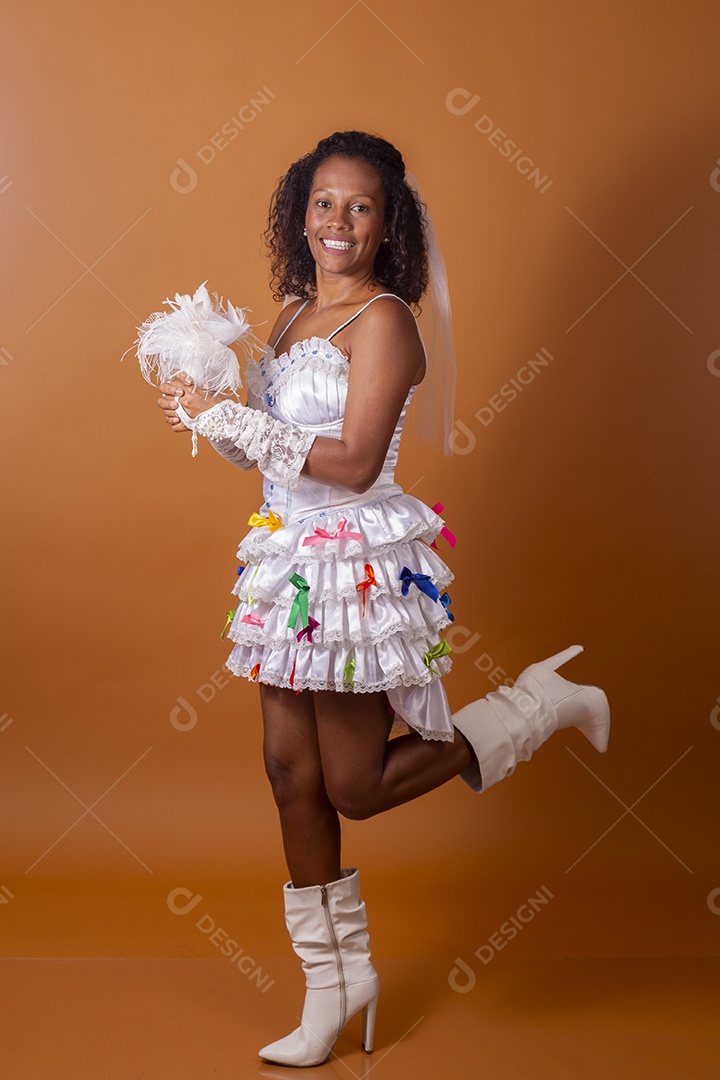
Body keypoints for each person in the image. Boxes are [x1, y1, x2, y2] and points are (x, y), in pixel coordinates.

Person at [156, 130, 610, 1068]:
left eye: (360, 206)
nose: (338, 222)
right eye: (323, 202)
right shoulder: (284, 320)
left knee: (353, 787)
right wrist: (203, 408)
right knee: (290, 777)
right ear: (299, 210)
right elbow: (264, 452)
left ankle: (537, 703)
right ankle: (334, 988)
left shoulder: (388, 321)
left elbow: (357, 462)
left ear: (388, 223)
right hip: (285, 565)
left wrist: (235, 418)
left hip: (354, 564)